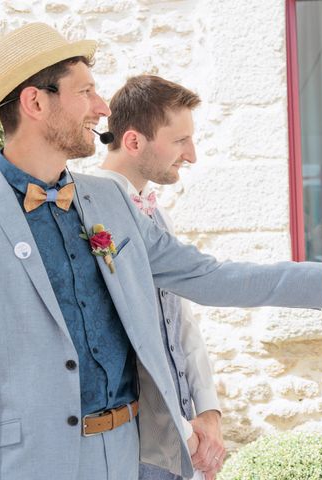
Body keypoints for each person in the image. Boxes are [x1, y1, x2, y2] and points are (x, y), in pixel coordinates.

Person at [0, 23, 322, 480]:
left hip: (126, 454)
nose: (102, 109)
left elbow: (208, 275)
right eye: (86, 92)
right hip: (25, 465)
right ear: (36, 102)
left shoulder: (108, 200)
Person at [95, 75, 222, 480]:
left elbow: (180, 319)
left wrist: (207, 411)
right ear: (133, 142)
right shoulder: (89, 214)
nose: (193, 155)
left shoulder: (155, 213)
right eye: (181, 140)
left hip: (183, 435)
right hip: (134, 444)